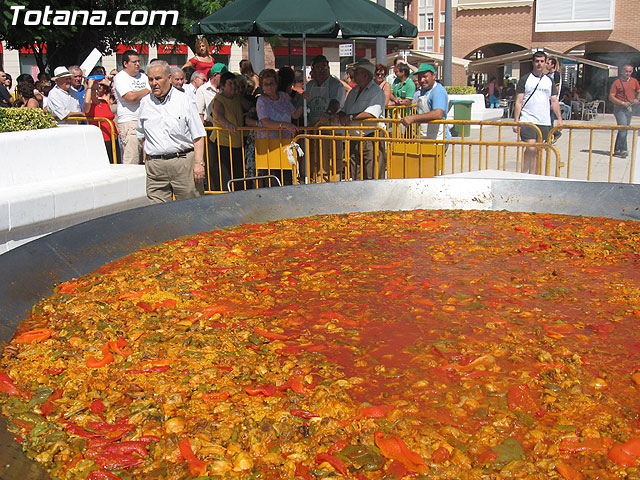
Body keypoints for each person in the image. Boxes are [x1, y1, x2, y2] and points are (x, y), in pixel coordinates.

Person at [136, 61, 206, 203]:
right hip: (156, 167)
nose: (154, 83)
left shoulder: (185, 100)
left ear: (168, 78)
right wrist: (147, 160)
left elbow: (198, 136)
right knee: (158, 215)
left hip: (183, 163)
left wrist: (199, 163)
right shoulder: (145, 103)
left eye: (158, 78)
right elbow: (142, 136)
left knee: (190, 209)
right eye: (150, 79)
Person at [334, 59, 386, 181]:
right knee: (356, 175)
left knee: (372, 175)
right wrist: (341, 115)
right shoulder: (354, 91)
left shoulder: (376, 92)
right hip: (355, 138)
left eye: (357, 72)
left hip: (371, 137)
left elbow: (371, 114)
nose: (354, 75)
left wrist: (350, 117)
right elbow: (345, 109)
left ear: (366, 75)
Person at [512, 51, 562, 174]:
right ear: (533, 62)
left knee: (537, 150)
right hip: (527, 119)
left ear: (545, 63)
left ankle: (532, 174)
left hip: (543, 120)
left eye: (542, 61)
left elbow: (554, 100)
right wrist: (516, 121)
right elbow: (518, 101)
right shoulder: (525, 79)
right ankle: (524, 173)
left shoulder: (549, 81)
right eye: (537, 61)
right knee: (531, 147)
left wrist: (559, 118)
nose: (539, 64)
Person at [256, 68, 304, 185]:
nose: (269, 87)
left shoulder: (284, 96)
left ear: (276, 84)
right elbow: (265, 122)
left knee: (286, 178)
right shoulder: (261, 100)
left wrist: (303, 101)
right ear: (262, 86)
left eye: (271, 83)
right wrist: (284, 125)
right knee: (272, 179)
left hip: (285, 143)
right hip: (268, 145)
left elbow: (295, 114)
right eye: (266, 84)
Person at [305, 55, 347, 182]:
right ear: (313, 70)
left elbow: (336, 102)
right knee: (315, 165)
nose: (322, 70)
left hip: (332, 131)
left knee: (333, 165)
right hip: (314, 131)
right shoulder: (310, 86)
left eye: (325, 67)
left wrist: (328, 113)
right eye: (319, 67)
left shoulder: (335, 84)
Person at [211, 72, 251, 191]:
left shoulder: (237, 98)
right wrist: (228, 124)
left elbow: (248, 106)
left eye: (234, 83)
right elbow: (219, 115)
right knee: (225, 173)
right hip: (222, 141)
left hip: (237, 141)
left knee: (238, 171)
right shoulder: (219, 99)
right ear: (223, 85)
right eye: (230, 84)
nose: (233, 86)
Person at [113, 50, 150, 164]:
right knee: (132, 160)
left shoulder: (143, 77)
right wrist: (147, 90)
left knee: (147, 161)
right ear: (125, 63)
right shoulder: (120, 78)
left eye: (139, 61)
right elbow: (131, 97)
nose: (137, 64)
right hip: (129, 123)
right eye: (134, 62)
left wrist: (141, 93)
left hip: (146, 121)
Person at [401, 63, 450, 143]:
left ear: (434, 76)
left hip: (437, 140)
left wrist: (413, 118)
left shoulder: (438, 91)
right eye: (419, 77)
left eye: (425, 76)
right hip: (425, 138)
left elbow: (438, 113)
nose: (421, 80)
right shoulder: (425, 90)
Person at [84, 77, 120, 164]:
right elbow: (87, 102)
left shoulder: (103, 102)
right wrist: (89, 87)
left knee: (116, 161)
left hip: (112, 137)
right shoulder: (89, 105)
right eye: (93, 90)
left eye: (97, 89)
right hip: (101, 139)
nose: (96, 91)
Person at [609, 63, 640, 159]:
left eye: (630, 71)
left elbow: (639, 91)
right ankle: (623, 149)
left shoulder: (634, 81)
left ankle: (617, 149)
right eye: (626, 71)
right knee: (624, 128)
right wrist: (622, 103)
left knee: (623, 129)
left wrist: (637, 99)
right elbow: (611, 97)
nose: (628, 73)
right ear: (622, 72)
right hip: (619, 109)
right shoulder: (617, 83)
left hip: (629, 108)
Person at [545, 57, 562, 143]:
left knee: (550, 120)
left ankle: (554, 134)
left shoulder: (556, 75)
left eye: (548, 63)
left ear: (553, 65)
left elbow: (557, 88)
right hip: (546, 100)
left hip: (552, 101)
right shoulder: (547, 75)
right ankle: (551, 135)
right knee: (546, 119)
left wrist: (553, 101)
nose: (546, 65)